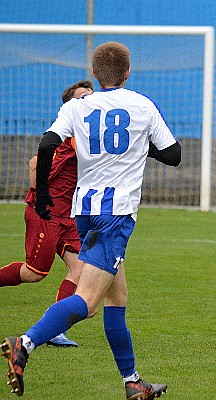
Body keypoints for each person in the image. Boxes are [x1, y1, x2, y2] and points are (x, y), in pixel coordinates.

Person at [1, 41, 181, 399]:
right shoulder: (142, 104)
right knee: (88, 301)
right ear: (128, 72)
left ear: (96, 74)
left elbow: (47, 143)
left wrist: (45, 194)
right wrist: (138, 142)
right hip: (115, 215)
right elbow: (173, 155)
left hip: (83, 211)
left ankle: (132, 383)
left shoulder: (77, 105)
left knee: (117, 300)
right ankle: (23, 343)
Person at [0, 80, 94, 347]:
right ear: (70, 106)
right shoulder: (69, 136)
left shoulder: (85, 134)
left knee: (81, 270)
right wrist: (39, 195)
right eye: (82, 97)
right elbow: (35, 162)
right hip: (48, 214)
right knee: (35, 273)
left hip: (70, 217)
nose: (88, 100)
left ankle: (55, 330)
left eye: (91, 96)